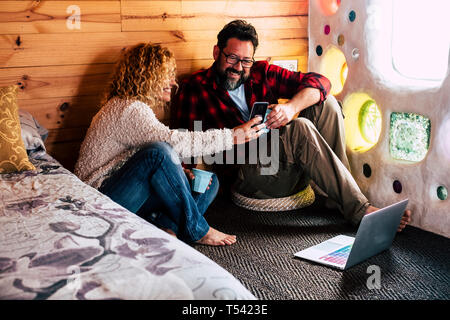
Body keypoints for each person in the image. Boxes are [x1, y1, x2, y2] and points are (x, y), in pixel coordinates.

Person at [171, 20, 411, 232]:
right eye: (231, 58)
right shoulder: (194, 88)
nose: (238, 67)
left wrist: (291, 107)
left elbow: (320, 82)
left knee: (326, 105)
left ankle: (338, 198)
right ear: (216, 52)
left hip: (280, 162)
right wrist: (187, 181)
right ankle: (360, 209)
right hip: (246, 176)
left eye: (245, 61)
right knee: (299, 129)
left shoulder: (259, 73)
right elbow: (182, 143)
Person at [74, 43, 265, 246]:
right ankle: (197, 229)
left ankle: (166, 228)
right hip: (100, 200)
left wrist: (179, 173)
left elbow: (139, 157)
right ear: (147, 75)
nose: (173, 83)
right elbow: (171, 143)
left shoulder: (132, 108)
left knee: (208, 183)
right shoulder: (127, 108)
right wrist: (231, 137)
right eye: (167, 75)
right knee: (159, 152)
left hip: (127, 190)